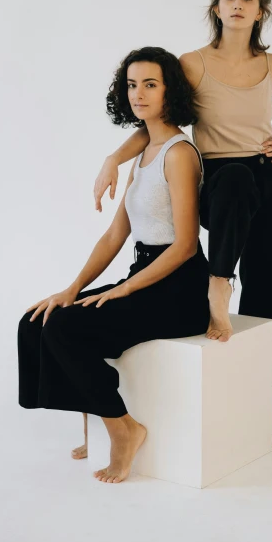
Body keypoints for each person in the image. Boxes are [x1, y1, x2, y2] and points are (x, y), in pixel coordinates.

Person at [93, 0, 272, 451]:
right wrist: (114, 158)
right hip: (217, 178)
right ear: (216, 7)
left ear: (261, 11)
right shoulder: (192, 63)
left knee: (267, 299)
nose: (238, 4)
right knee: (236, 176)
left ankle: (256, 416)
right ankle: (220, 282)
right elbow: (158, 119)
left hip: (267, 180)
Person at [18, 46, 209, 483]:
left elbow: (184, 246)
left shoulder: (179, 154)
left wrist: (123, 289)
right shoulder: (141, 154)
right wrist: (71, 288)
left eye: (150, 84)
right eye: (131, 84)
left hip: (178, 288)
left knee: (65, 329)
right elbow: (114, 236)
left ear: (169, 91)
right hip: (143, 275)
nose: (138, 93)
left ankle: (124, 431)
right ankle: (100, 423)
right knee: (37, 320)